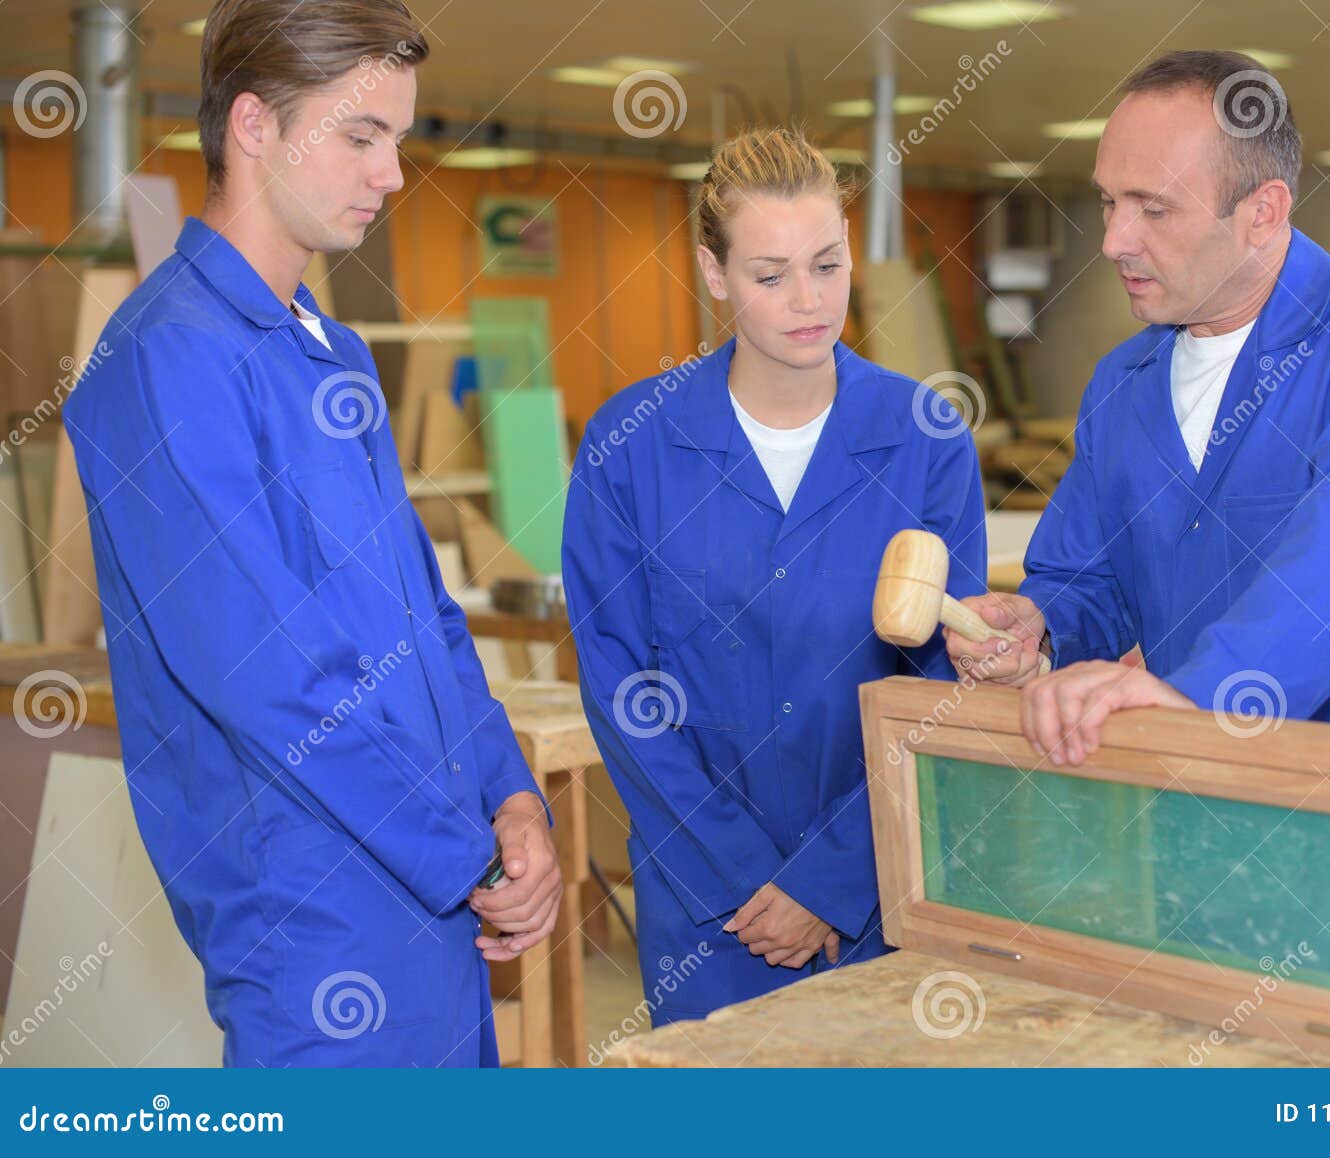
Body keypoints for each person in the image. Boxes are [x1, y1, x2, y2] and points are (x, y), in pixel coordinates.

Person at [63, 0, 559, 1067]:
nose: (390, 175)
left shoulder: (326, 353)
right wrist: (464, 854)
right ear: (253, 126)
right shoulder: (168, 361)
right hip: (319, 929)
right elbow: (265, 676)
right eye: (360, 136)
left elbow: (426, 620)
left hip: (432, 904)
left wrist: (511, 796)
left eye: (398, 141)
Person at [563, 128, 986, 1024]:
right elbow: (616, 682)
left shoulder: (925, 440)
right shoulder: (629, 445)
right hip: (712, 911)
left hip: (880, 893)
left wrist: (833, 880)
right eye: (770, 274)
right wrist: (747, 880)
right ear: (714, 276)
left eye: (827, 265)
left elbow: (944, 685)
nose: (809, 301)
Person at [950, 50, 1330, 765]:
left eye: (1153, 208)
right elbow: (1090, 578)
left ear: (1263, 212)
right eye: (1109, 201)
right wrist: (1039, 627)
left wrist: (1210, 695)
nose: (1113, 241)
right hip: (1196, 806)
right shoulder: (1123, 382)